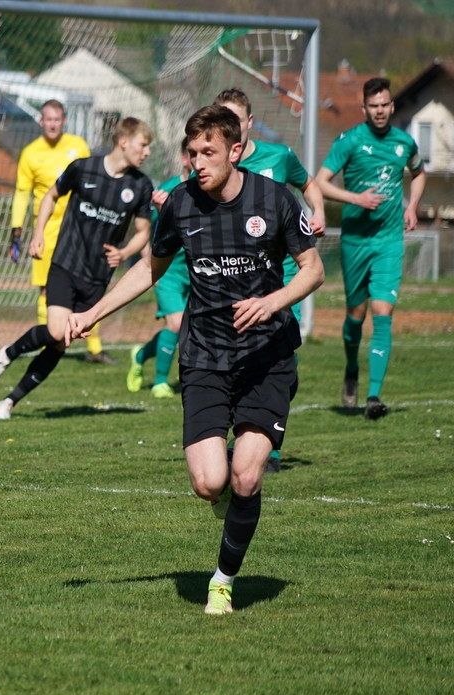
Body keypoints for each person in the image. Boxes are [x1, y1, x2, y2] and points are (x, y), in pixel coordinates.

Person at [65, 105, 324, 614]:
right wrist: (94, 312)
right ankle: (225, 499)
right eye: (192, 152)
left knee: (246, 475)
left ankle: (222, 581)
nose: (197, 161)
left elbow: (312, 270)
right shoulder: (181, 204)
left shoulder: (273, 199)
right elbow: (150, 269)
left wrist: (272, 302)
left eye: (208, 152)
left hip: (267, 356)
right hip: (205, 355)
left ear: (235, 151)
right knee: (209, 483)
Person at [0, 117, 155, 419]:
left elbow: (143, 231)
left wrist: (125, 251)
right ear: (124, 141)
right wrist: (38, 233)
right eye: (143, 145)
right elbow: (51, 196)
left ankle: (8, 402)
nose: (147, 152)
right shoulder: (83, 168)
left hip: (98, 277)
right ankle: (8, 353)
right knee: (56, 330)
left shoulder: (141, 185)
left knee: (61, 343)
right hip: (65, 263)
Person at [214, 88, 326, 472]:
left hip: (285, 274)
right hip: (237, 277)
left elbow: (308, 183)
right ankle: (244, 433)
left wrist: (318, 211)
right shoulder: (213, 167)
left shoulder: (278, 156)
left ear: (249, 122)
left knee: (282, 357)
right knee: (240, 356)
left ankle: (267, 444)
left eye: (234, 119)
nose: (229, 126)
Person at [315, 76, 426, 420]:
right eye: (373, 106)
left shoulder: (404, 143)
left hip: (389, 241)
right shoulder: (349, 141)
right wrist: (356, 198)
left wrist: (412, 206)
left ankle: (373, 396)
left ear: (392, 106)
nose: (380, 111)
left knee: (383, 312)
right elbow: (320, 182)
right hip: (355, 242)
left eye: (385, 105)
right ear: (364, 108)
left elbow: (419, 173)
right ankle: (351, 368)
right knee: (355, 316)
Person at [9, 100, 115, 365]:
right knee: (47, 290)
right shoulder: (30, 154)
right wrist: (16, 229)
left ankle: (95, 349)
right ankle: (51, 344)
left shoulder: (78, 146)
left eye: (57, 119)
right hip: (46, 230)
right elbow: (22, 192)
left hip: (79, 230)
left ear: (64, 121)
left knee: (88, 288)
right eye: (48, 119)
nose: (53, 124)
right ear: (41, 121)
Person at [126, 136, 191, 399]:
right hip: (169, 271)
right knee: (176, 322)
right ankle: (160, 382)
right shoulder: (168, 190)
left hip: (196, 271)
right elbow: (143, 228)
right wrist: (150, 263)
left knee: (188, 327)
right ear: (184, 158)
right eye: (194, 154)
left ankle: (141, 355)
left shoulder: (207, 191)